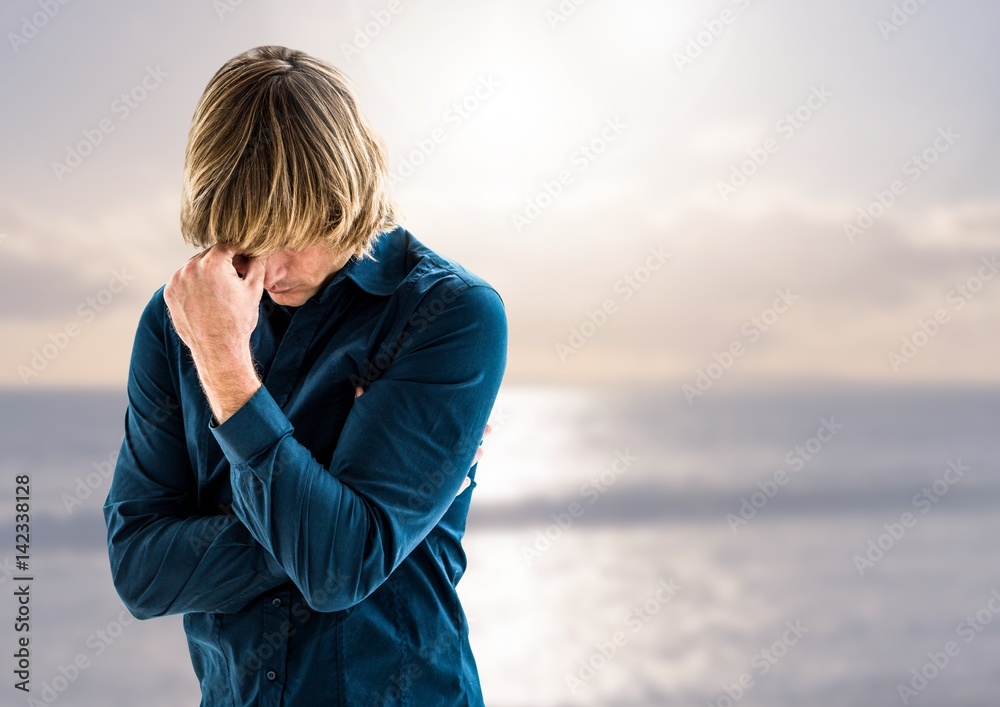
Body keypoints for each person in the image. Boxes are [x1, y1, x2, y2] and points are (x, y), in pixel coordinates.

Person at [102, 45, 507, 706]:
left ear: (349, 196)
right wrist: (334, 521)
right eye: (251, 236)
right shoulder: (176, 319)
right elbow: (140, 572)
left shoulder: (453, 315)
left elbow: (338, 567)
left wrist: (228, 371)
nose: (275, 267)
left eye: (299, 232)